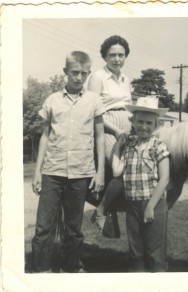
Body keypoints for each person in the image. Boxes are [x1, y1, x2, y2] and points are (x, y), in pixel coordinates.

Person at [31, 51, 105, 273]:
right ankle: (40, 270)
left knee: (74, 229)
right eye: (74, 72)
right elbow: (44, 136)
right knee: (44, 226)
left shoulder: (94, 101)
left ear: (88, 73)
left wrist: (100, 172)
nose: (78, 77)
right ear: (65, 72)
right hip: (53, 171)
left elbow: (100, 136)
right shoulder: (52, 100)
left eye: (83, 73)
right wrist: (37, 171)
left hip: (81, 172)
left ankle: (71, 268)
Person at [112, 97, 170, 272]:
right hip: (132, 205)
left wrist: (151, 207)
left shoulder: (158, 147)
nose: (144, 126)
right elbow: (116, 171)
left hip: (153, 203)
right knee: (136, 252)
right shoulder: (129, 147)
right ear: (133, 122)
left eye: (149, 123)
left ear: (156, 125)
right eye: (140, 122)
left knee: (154, 252)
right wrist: (118, 147)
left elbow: (164, 178)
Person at [87, 35, 132, 230]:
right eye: (112, 55)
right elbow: (93, 111)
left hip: (127, 127)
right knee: (122, 169)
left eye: (120, 55)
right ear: (104, 56)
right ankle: (101, 210)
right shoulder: (98, 77)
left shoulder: (125, 79)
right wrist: (115, 130)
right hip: (105, 128)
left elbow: (128, 107)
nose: (117, 59)